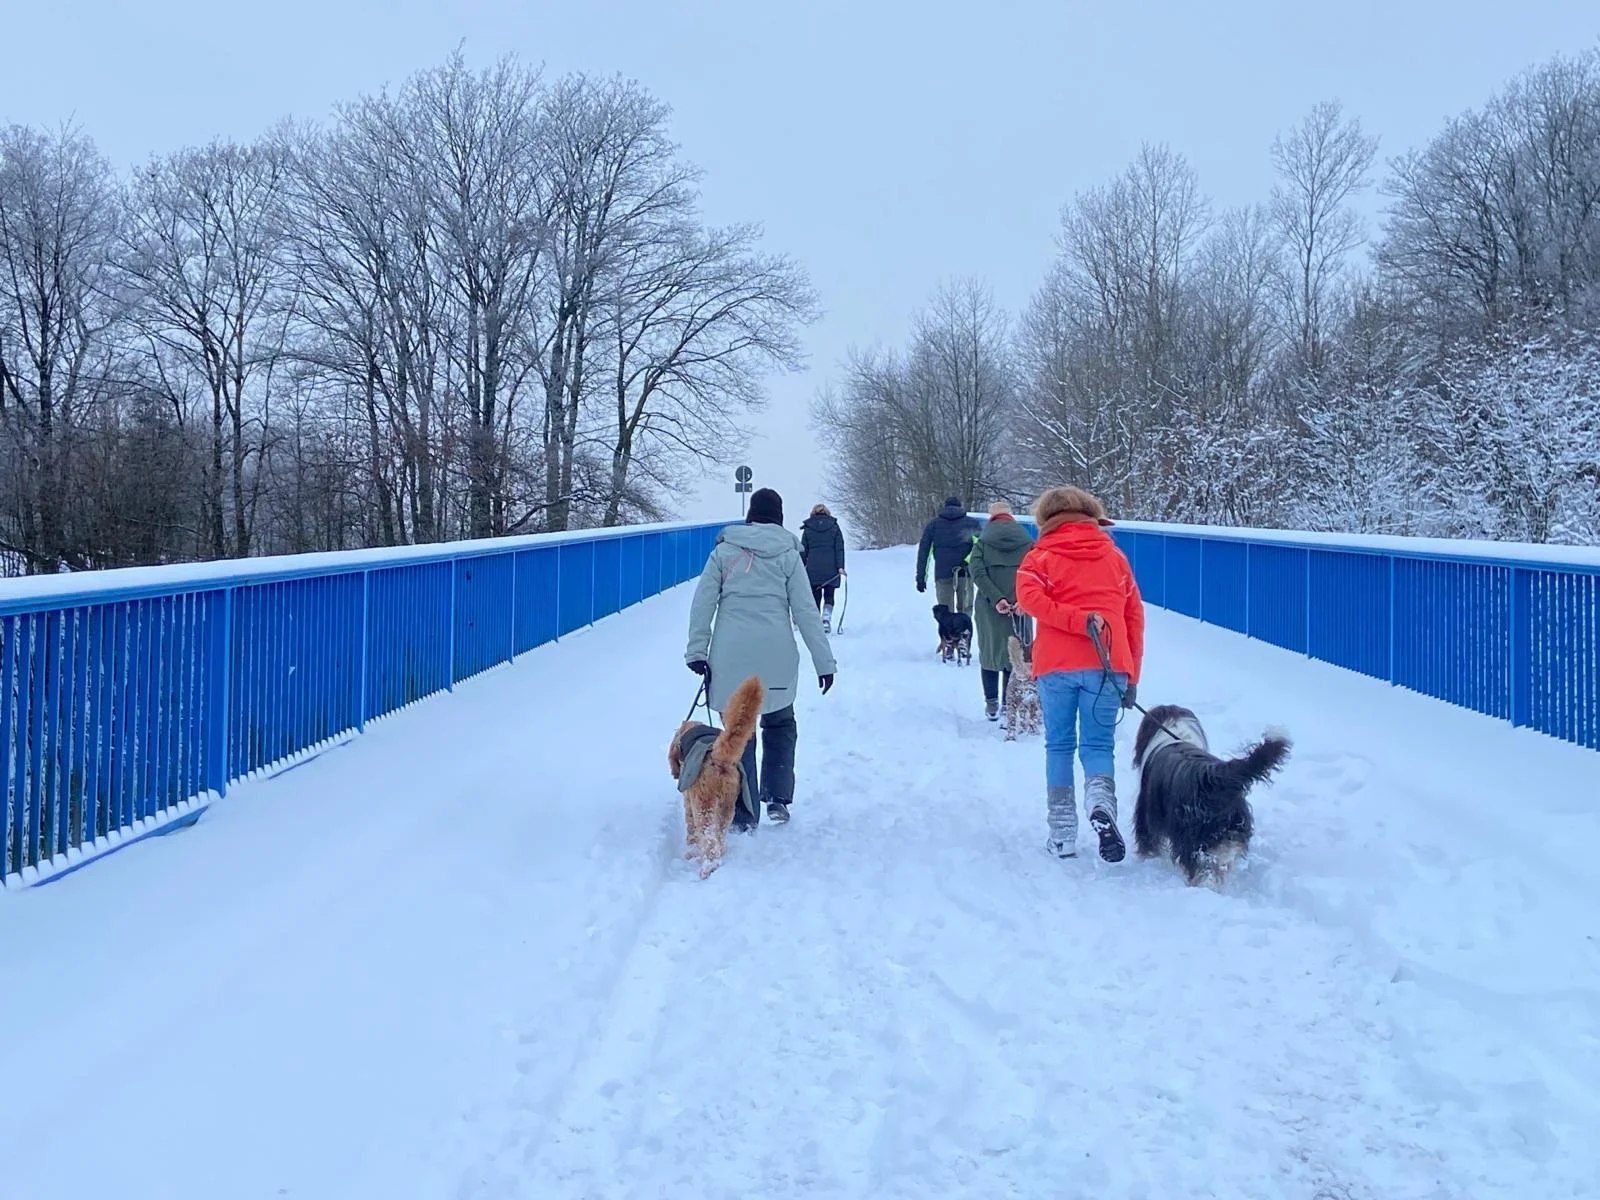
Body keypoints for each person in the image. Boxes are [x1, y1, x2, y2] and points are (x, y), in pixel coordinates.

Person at [685, 487, 837, 828]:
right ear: (779, 518)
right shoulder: (789, 555)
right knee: (780, 722)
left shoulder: (723, 552)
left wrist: (697, 650)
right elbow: (806, 612)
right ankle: (777, 798)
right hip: (776, 656)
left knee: (740, 730)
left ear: (750, 517)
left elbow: (703, 603)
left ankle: (744, 810)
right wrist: (824, 662)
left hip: (731, 656)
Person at [1015, 486, 1144, 862]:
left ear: (1046, 518)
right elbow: (1134, 618)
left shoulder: (1039, 557)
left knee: (1059, 745)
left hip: (1056, 665)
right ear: (1091, 515)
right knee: (1098, 745)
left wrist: (1073, 619)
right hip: (1109, 664)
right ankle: (1100, 804)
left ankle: (1062, 835)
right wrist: (1132, 675)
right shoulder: (1115, 557)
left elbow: (1028, 599)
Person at [967, 500, 1035, 721]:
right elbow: (1036, 574)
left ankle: (991, 704)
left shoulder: (982, 542)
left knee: (989, 654)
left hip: (989, 609)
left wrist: (997, 598)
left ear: (992, 517)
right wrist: (1022, 600)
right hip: (1021, 609)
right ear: (1011, 516)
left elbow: (976, 571)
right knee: (1015, 657)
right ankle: (1009, 704)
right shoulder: (1028, 542)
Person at [915, 497, 980, 614]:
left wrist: (921, 578)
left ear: (945, 507)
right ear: (960, 507)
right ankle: (964, 626)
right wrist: (968, 560)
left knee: (945, 613)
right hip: (965, 572)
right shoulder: (972, 523)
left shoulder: (933, 525)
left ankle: (948, 626)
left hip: (942, 574)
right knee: (965, 611)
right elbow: (980, 547)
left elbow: (924, 552)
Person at [799, 503, 846, 633]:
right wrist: (840, 567)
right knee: (829, 594)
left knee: (815, 595)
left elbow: (803, 550)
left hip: (813, 567)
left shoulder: (808, 528)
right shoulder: (834, 527)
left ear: (813, 513)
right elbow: (839, 548)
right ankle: (826, 619)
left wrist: (801, 566)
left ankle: (815, 624)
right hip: (831, 566)